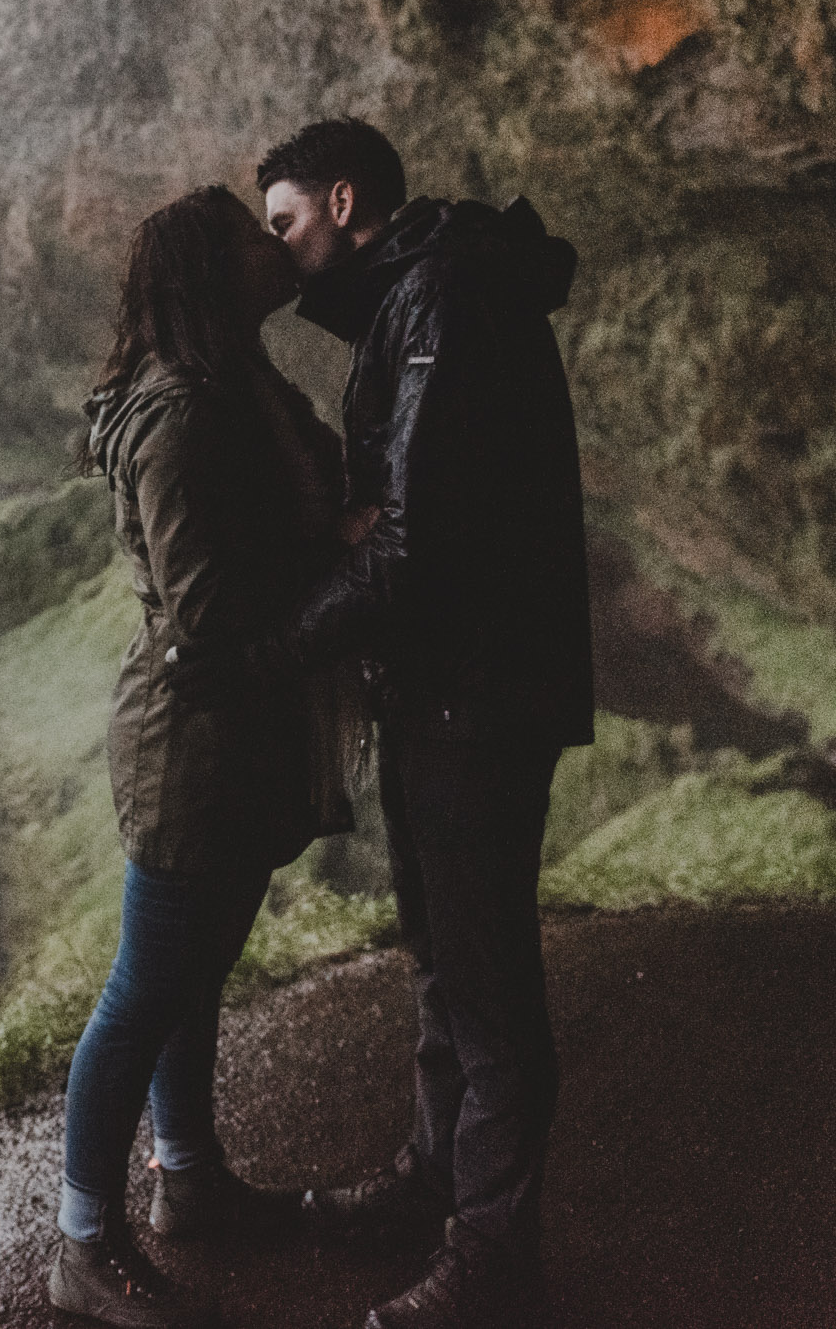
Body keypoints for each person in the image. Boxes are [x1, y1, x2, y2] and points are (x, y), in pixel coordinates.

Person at [176, 119, 593, 1329]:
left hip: (477, 694)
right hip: (448, 686)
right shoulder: (422, 294)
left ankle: (491, 1256)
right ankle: (431, 1181)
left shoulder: (441, 301)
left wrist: (263, 656)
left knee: (487, 980)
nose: (280, 250)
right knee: (443, 963)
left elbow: (412, 542)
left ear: (344, 198)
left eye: (287, 222)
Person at [50, 184, 369, 1329]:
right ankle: (82, 1243)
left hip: (231, 730)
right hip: (191, 740)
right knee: (143, 990)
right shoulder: (185, 413)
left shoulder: (230, 383)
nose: (269, 244)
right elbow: (204, 609)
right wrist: (335, 557)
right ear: (207, 270)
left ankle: (190, 1181)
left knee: (191, 976)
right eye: (248, 235)